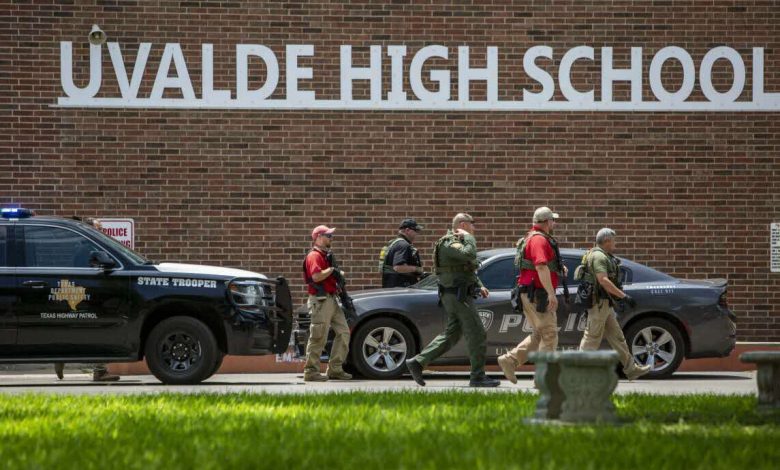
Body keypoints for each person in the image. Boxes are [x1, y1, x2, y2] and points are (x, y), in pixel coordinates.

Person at [405, 213, 500, 387]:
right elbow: (468, 254)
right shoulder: (449, 242)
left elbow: (466, 267)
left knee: (452, 334)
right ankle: (477, 376)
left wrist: (480, 284)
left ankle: (417, 362)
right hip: (457, 295)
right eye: (472, 225)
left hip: (458, 294)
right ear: (463, 225)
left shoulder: (458, 241)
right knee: (477, 333)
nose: (474, 228)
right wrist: (470, 238)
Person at [497, 207, 566, 384]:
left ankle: (510, 360)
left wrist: (557, 268)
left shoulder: (533, 237)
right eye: (553, 220)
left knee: (539, 334)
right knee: (549, 334)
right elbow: (541, 266)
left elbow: (544, 265)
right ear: (545, 222)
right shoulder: (539, 240)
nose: (554, 223)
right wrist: (552, 294)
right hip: (538, 294)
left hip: (531, 292)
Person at [577, 228, 652, 380]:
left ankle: (631, 368)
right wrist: (623, 296)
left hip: (605, 304)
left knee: (617, 337)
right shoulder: (599, 256)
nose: (615, 243)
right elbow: (603, 280)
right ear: (606, 241)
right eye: (613, 240)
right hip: (599, 304)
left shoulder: (602, 255)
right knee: (591, 338)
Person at [55, 217, 120, 382]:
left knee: (81, 331)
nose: (101, 231)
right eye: (98, 228)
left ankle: (61, 354)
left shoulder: (83, 248)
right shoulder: (92, 249)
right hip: (91, 296)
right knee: (102, 331)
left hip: (84, 294)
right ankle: (100, 371)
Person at [301, 225, 352, 382]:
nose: (331, 238)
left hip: (331, 299)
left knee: (344, 332)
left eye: (331, 235)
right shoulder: (314, 256)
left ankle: (335, 369)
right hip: (320, 301)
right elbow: (316, 276)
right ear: (318, 237)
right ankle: (311, 371)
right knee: (319, 336)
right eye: (328, 235)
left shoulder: (325, 255)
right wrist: (332, 270)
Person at [380, 218, 425, 288]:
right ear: (407, 230)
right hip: (401, 288)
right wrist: (417, 269)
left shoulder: (393, 243)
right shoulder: (403, 245)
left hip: (391, 287)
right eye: (416, 230)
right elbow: (398, 267)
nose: (417, 233)